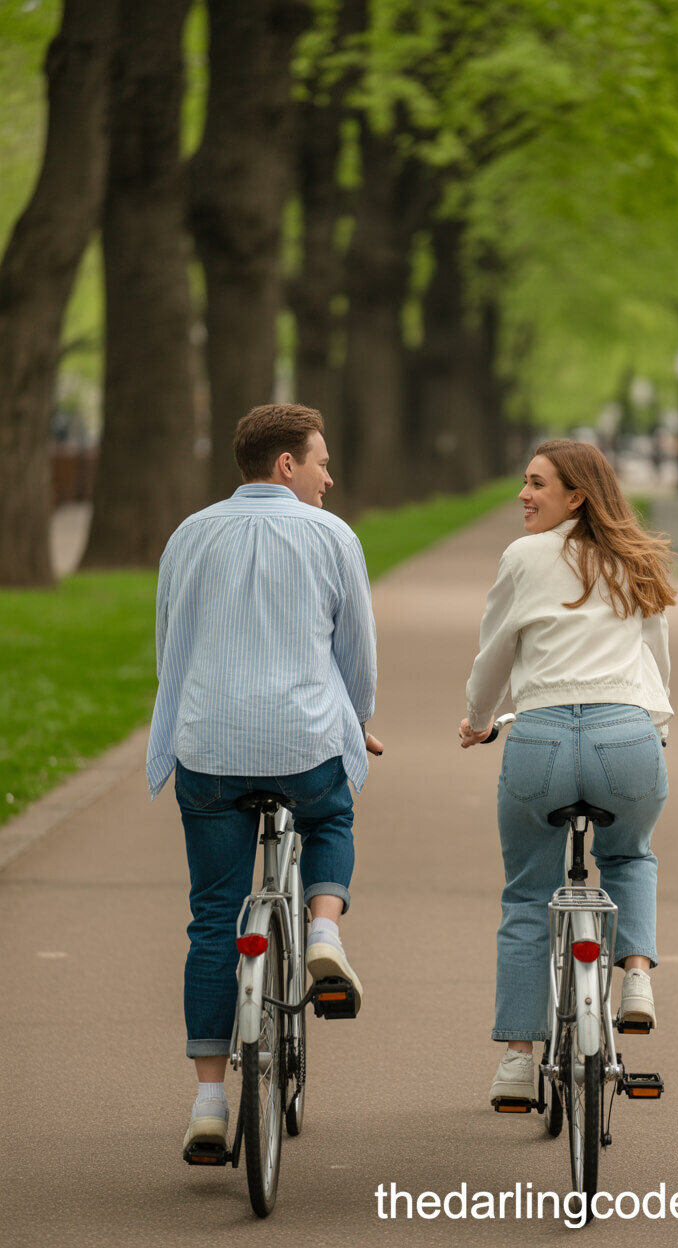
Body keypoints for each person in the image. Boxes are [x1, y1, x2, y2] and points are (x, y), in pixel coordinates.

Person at [146, 403, 382, 1156]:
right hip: (304, 746)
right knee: (332, 818)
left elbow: (169, 646)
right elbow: (357, 657)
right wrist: (356, 723)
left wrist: (186, 726)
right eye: (320, 462)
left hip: (208, 751)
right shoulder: (332, 536)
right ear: (287, 465)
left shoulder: (189, 535)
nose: (329, 477)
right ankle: (322, 930)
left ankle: (210, 1102)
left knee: (214, 917)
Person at [459, 439, 674, 1106]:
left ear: (576, 494)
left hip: (542, 739)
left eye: (537, 484)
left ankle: (518, 1062)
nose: (524, 495)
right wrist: (655, 730)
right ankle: (634, 974)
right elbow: (655, 663)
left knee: (528, 896)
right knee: (630, 857)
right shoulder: (634, 558)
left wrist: (478, 717)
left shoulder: (524, 558)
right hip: (626, 735)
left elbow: (496, 651)